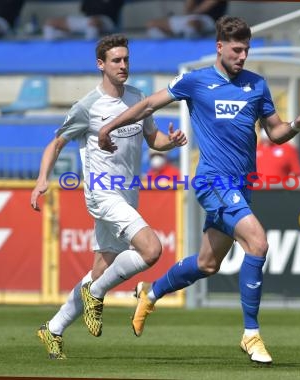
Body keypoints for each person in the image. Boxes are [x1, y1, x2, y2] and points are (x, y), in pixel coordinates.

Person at [97, 16, 300, 364]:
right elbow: (147, 105)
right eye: (236, 49)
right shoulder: (196, 81)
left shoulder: (257, 86)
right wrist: (110, 126)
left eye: (246, 49)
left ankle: (150, 292)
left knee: (208, 263)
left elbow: (274, 133)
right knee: (258, 242)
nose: (242, 56)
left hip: (242, 185)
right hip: (213, 181)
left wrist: (296, 125)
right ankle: (251, 334)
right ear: (219, 47)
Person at [30, 34, 186, 359]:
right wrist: (43, 178)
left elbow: (152, 137)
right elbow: (56, 142)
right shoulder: (88, 106)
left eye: (126, 59)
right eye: (116, 60)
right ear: (101, 64)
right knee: (151, 249)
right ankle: (95, 293)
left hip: (128, 192)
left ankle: (53, 328)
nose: (123, 65)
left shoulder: (138, 98)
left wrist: (170, 141)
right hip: (102, 191)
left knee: (102, 269)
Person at [43, 0, 124, 41]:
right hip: (87, 20)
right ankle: (51, 49)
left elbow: (114, 9)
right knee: (50, 22)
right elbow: (84, 10)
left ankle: (89, 48)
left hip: (107, 21)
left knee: (93, 22)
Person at [146, 0, 228, 39]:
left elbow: (201, 10)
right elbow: (187, 11)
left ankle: (187, 40)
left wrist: (190, 15)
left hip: (211, 20)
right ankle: (171, 44)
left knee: (192, 24)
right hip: (192, 17)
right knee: (152, 24)